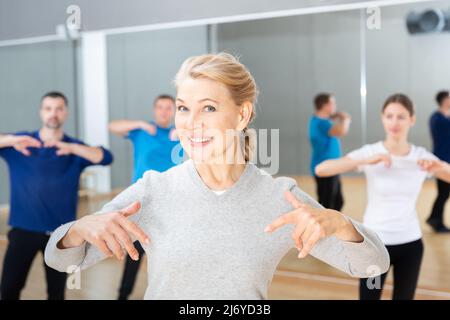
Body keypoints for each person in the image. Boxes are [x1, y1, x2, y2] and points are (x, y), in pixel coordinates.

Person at [45, 53, 389, 300]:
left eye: (208, 107)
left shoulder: (279, 198)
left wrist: (340, 223)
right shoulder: (152, 190)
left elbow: (372, 267)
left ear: (243, 114)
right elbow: (60, 260)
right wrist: (77, 229)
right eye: (184, 108)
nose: (191, 122)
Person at [315, 94, 450, 300]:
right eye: (389, 116)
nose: (394, 122)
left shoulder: (420, 156)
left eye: (401, 117)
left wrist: (440, 167)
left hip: (410, 246)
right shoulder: (371, 152)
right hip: (372, 247)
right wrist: (367, 161)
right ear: (382, 118)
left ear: (412, 119)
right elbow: (321, 169)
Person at [0, 91, 113, 300]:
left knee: (56, 293)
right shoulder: (20, 144)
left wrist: (71, 147)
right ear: (41, 112)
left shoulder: (74, 149)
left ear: (65, 113)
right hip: (23, 231)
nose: (53, 114)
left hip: (61, 235)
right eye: (48, 108)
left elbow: (105, 157)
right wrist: (10, 140)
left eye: (59, 109)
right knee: (8, 291)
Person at [109, 94, 182, 300]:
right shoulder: (141, 131)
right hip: (141, 206)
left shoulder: (179, 134)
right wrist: (140, 123)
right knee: (134, 254)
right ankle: (123, 295)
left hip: (170, 207)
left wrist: (185, 130)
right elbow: (113, 126)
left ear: (174, 111)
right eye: (160, 107)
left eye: (169, 108)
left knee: (167, 256)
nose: (164, 111)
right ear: (154, 109)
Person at [308, 93, 351, 211]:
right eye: (333, 103)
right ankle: (325, 229)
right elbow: (341, 131)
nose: (335, 106)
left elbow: (331, 117)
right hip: (325, 169)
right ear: (325, 106)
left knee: (338, 202)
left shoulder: (320, 120)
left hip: (332, 168)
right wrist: (346, 119)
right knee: (327, 205)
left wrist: (336, 114)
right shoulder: (322, 123)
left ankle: (331, 228)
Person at [427, 90, 450, 233]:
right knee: (443, 193)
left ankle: (434, 219)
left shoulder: (443, 117)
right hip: (441, 161)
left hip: (446, 159)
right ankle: (436, 221)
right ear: (443, 100)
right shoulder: (438, 118)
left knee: (444, 193)